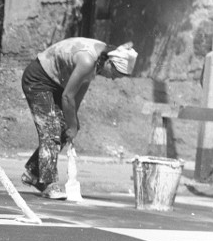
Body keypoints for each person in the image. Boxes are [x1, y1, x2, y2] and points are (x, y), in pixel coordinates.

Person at [20, 37, 138, 199]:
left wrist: (72, 123)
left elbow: (76, 96)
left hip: (57, 82)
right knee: (51, 129)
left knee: (65, 127)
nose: (113, 79)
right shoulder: (88, 60)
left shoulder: (100, 59)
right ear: (110, 63)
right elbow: (68, 97)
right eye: (115, 74)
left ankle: (33, 173)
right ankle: (47, 182)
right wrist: (72, 125)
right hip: (38, 79)